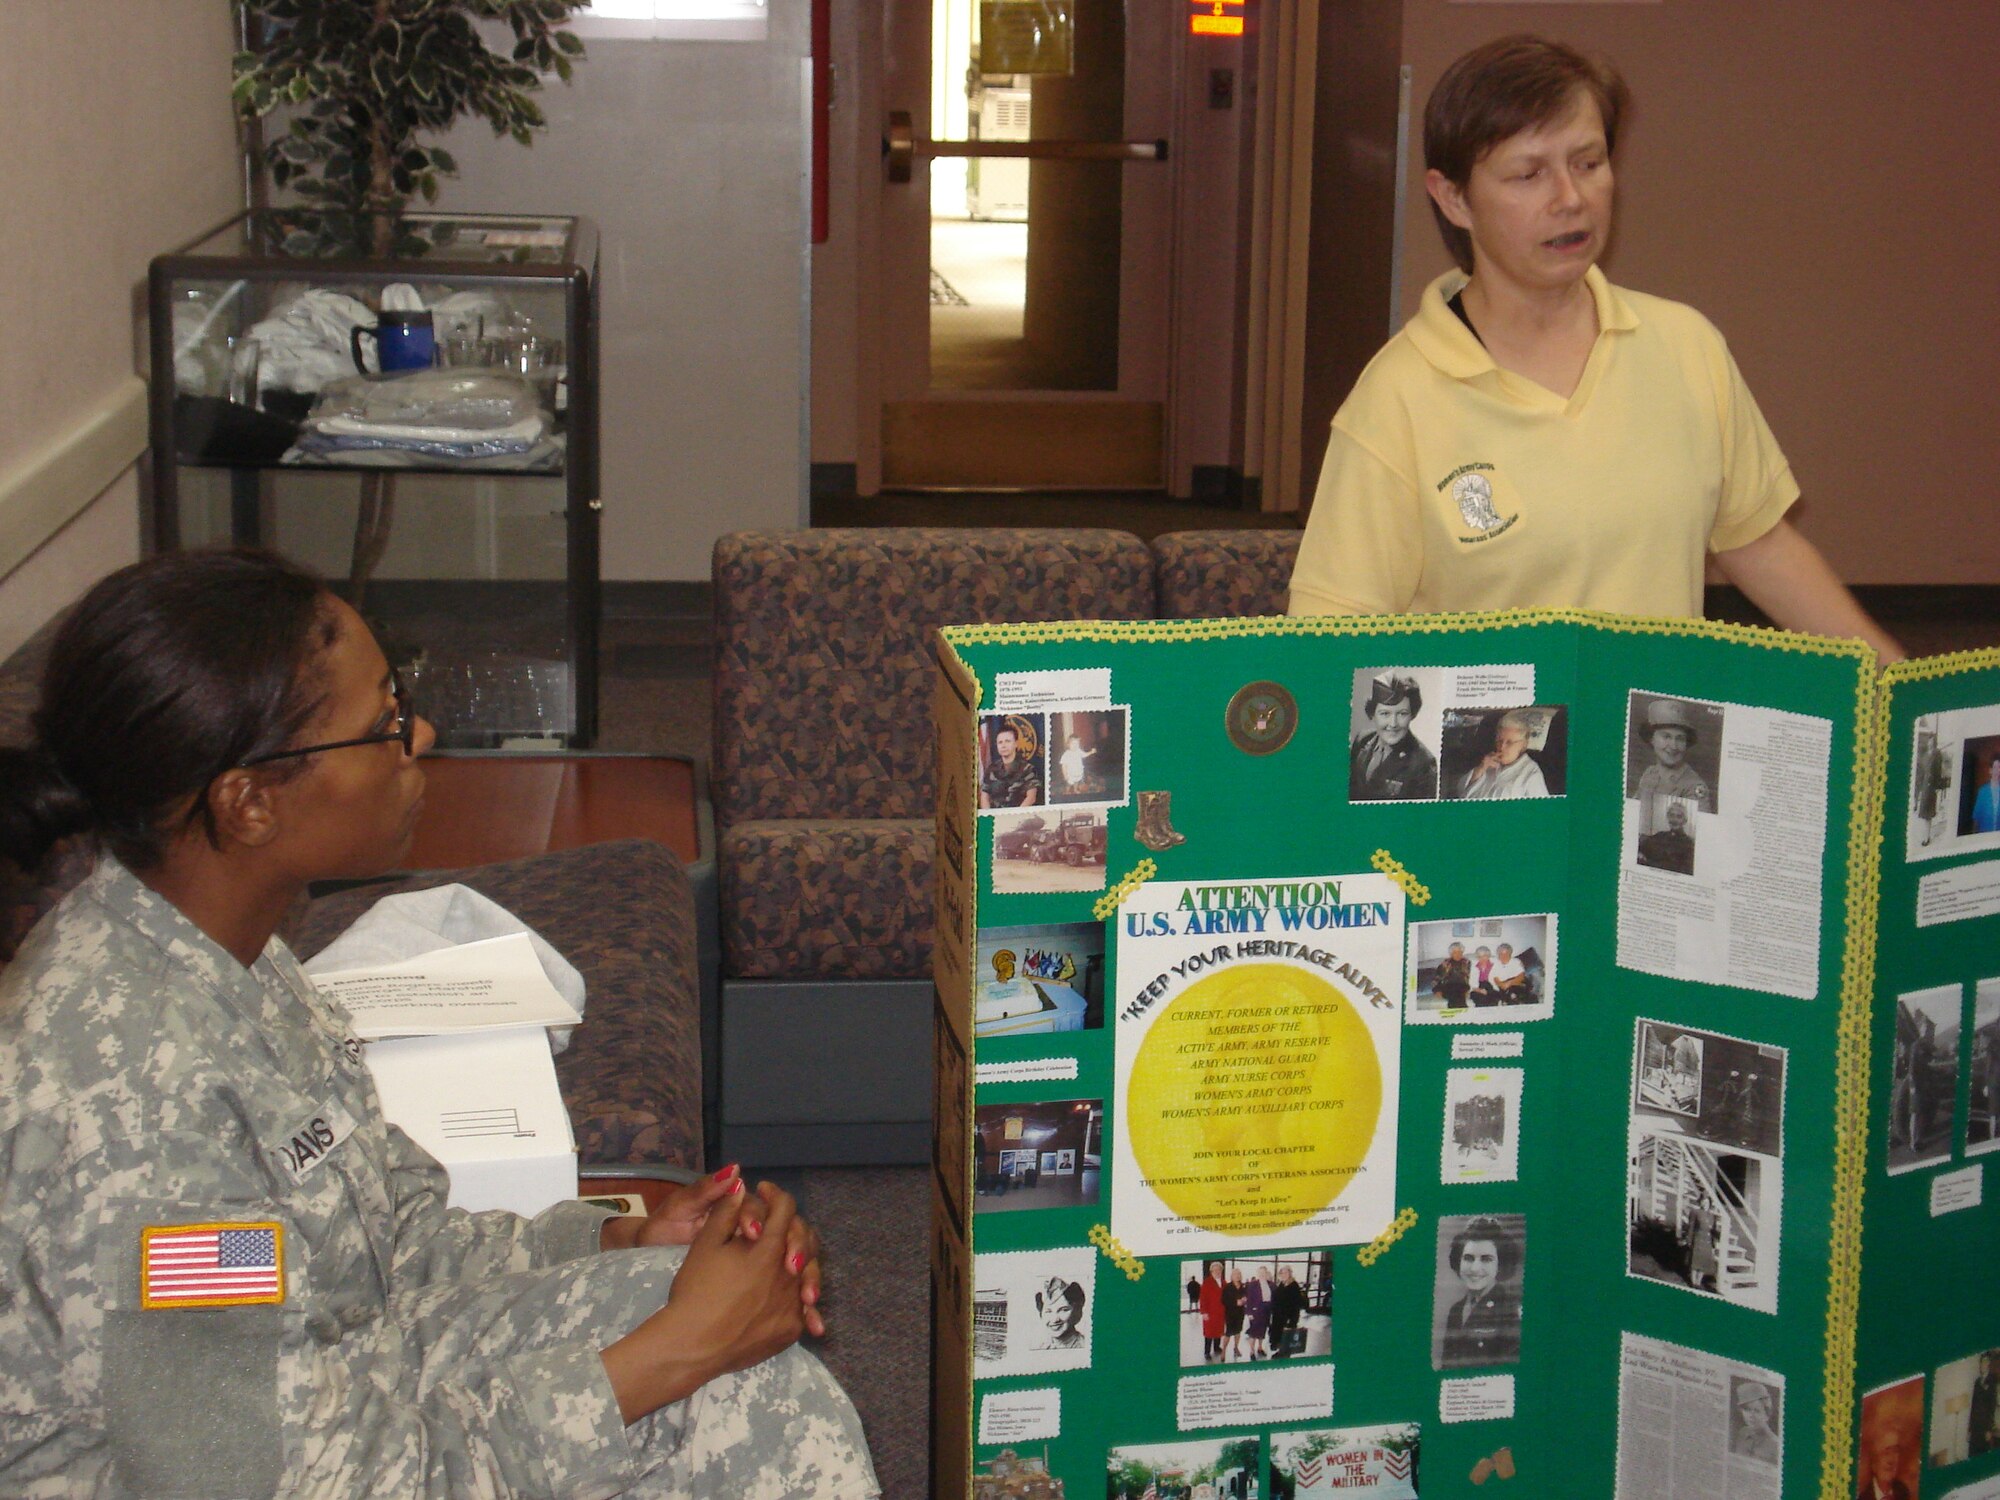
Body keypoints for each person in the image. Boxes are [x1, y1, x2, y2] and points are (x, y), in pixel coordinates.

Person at [0, 550, 876, 1498]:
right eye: (379, 724)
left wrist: (616, 1242)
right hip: (248, 1472)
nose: (418, 732)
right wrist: (668, 1356)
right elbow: (271, 1479)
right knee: (708, 1375)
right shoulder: (130, 1106)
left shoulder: (229, 955)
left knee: (745, 1373)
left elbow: (385, 1240)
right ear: (247, 802)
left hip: (326, 1380)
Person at [1287, 34, 1903, 664]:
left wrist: (1898, 688)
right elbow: (1333, 639)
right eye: (1529, 174)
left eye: (1588, 163)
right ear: (1452, 198)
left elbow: (1760, 545)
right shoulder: (1397, 396)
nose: (1571, 199)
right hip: (1490, 755)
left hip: (1658, 750)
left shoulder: (1686, 346)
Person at [1439, 1218, 1521, 1368]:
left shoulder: (1511, 1310)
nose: (1475, 1269)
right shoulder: (1456, 1310)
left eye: (1486, 1259)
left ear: (1500, 1263)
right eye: (1468, 1258)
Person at [1349, 674, 1438, 801]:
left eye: (1402, 714)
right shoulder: (1362, 739)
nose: (1393, 724)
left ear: (1412, 714)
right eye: (1385, 713)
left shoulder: (1423, 763)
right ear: (1372, 714)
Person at [1633, 701, 1714, 812]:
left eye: (1680, 739)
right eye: (1666, 737)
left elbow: (1697, 827)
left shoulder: (1694, 786)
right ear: (1652, 739)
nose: (1673, 746)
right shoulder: (1649, 773)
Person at [1455, 710, 1549, 800]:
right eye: (1499, 741)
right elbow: (1461, 794)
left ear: (1523, 745)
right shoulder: (1487, 762)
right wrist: (1479, 769)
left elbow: (1541, 811)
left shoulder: (1531, 773)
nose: (1502, 747)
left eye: (1509, 742)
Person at [979, 717, 1041, 808]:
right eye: (1000, 742)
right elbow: (984, 797)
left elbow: (1031, 798)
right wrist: (988, 817)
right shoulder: (991, 769)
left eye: (1007, 741)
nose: (1003, 745)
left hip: (1019, 817)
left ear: (1016, 744)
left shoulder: (1028, 769)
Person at [1637, 799, 1697, 875]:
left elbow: (1684, 871)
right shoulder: (1660, 835)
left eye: (1679, 817)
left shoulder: (1688, 843)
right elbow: (1641, 847)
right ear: (1668, 818)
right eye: (1671, 815)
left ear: (1684, 820)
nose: (1674, 820)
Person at [1730, 1380, 1780, 1464]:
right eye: (1747, 1409)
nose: (1751, 1415)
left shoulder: (1776, 1446)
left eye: (1757, 1411)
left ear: (1767, 1415)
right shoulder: (1742, 1433)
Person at [1033, 1276, 1086, 1350]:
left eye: (1064, 1310)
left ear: (1077, 1312)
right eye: (1048, 1311)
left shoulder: (1085, 1345)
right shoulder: (1040, 1347)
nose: (1055, 1319)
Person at [1859, 1429, 1912, 1500]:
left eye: (1895, 1451)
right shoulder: (1863, 1497)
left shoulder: (1904, 1493)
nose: (1891, 1460)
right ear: (1873, 1462)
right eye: (1885, 1453)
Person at [1268, 1266, 1306, 1358]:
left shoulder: (1294, 1285)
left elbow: (1296, 1304)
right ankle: (1281, 1352)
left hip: (1288, 1317)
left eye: (1286, 1273)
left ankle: (1285, 1355)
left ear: (1290, 1273)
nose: (1284, 1275)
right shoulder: (1281, 1284)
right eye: (1282, 1273)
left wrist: (1291, 1319)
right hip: (1278, 1316)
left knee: (1287, 1336)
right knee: (1279, 1336)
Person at [1971, 1352, 1999, 1457]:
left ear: (1989, 1364)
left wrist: (1989, 1429)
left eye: (1985, 1362)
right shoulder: (1977, 1382)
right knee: (1972, 1453)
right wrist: (1969, 1428)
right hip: (1975, 1427)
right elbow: (1973, 1406)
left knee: (1982, 1454)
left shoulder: (1992, 1381)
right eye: (1982, 1362)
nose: (1983, 1364)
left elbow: (1991, 1407)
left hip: (1985, 1427)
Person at [1242, 1267, 1272, 1361]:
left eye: (1264, 1272)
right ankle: (1251, 1351)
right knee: (1253, 1332)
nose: (1262, 1274)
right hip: (1255, 1311)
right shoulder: (1252, 1285)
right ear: (1257, 1273)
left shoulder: (1271, 1284)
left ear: (1266, 1273)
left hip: (1266, 1311)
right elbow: (1249, 1299)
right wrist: (1249, 1313)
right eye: (1260, 1273)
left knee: (1262, 1331)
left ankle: (1260, 1348)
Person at [1431, 941, 1472, 1007]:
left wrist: (1470, 989)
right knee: (1455, 994)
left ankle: (1455, 1014)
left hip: (1462, 986)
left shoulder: (1467, 963)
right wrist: (1436, 990)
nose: (1458, 954)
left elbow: (1472, 977)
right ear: (1451, 954)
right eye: (1455, 952)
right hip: (1447, 987)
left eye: (1460, 952)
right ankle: (1461, 1013)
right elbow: (1436, 978)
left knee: (1458, 993)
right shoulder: (1445, 964)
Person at [1199, 1261, 1226, 1362]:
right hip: (1210, 1312)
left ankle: (1216, 1347)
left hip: (1221, 1312)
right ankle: (1207, 1352)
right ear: (1211, 1271)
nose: (1217, 1272)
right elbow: (1202, 1298)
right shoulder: (1207, 1282)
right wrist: (1204, 1312)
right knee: (1209, 1333)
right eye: (1215, 1270)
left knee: (1218, 1331)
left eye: (1219, 1270)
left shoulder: (1224, 1282)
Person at [1222, 1266, 1247, 1361]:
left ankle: (1236, 1348)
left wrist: (1245, 1299)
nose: (1237, 1276)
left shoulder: (1244, 1286)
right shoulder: (1227, 1287)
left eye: (1239, 1274)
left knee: (1238, 1332)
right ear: (1231, 1276)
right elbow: (1223, 1300)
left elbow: (1246, 1295)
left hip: (1240, 1313)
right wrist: (1235, 1302)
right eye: (1235, 1274)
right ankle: (1224, 1350)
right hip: (1230, 1313)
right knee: (1228, 1333)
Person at [1975, 756, 2000, 834]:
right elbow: (1976, 817)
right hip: (1984, 834)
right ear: (1990, 770)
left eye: (1999, 767)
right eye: (1994, 767)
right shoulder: (1982, 791)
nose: (1997, 771)